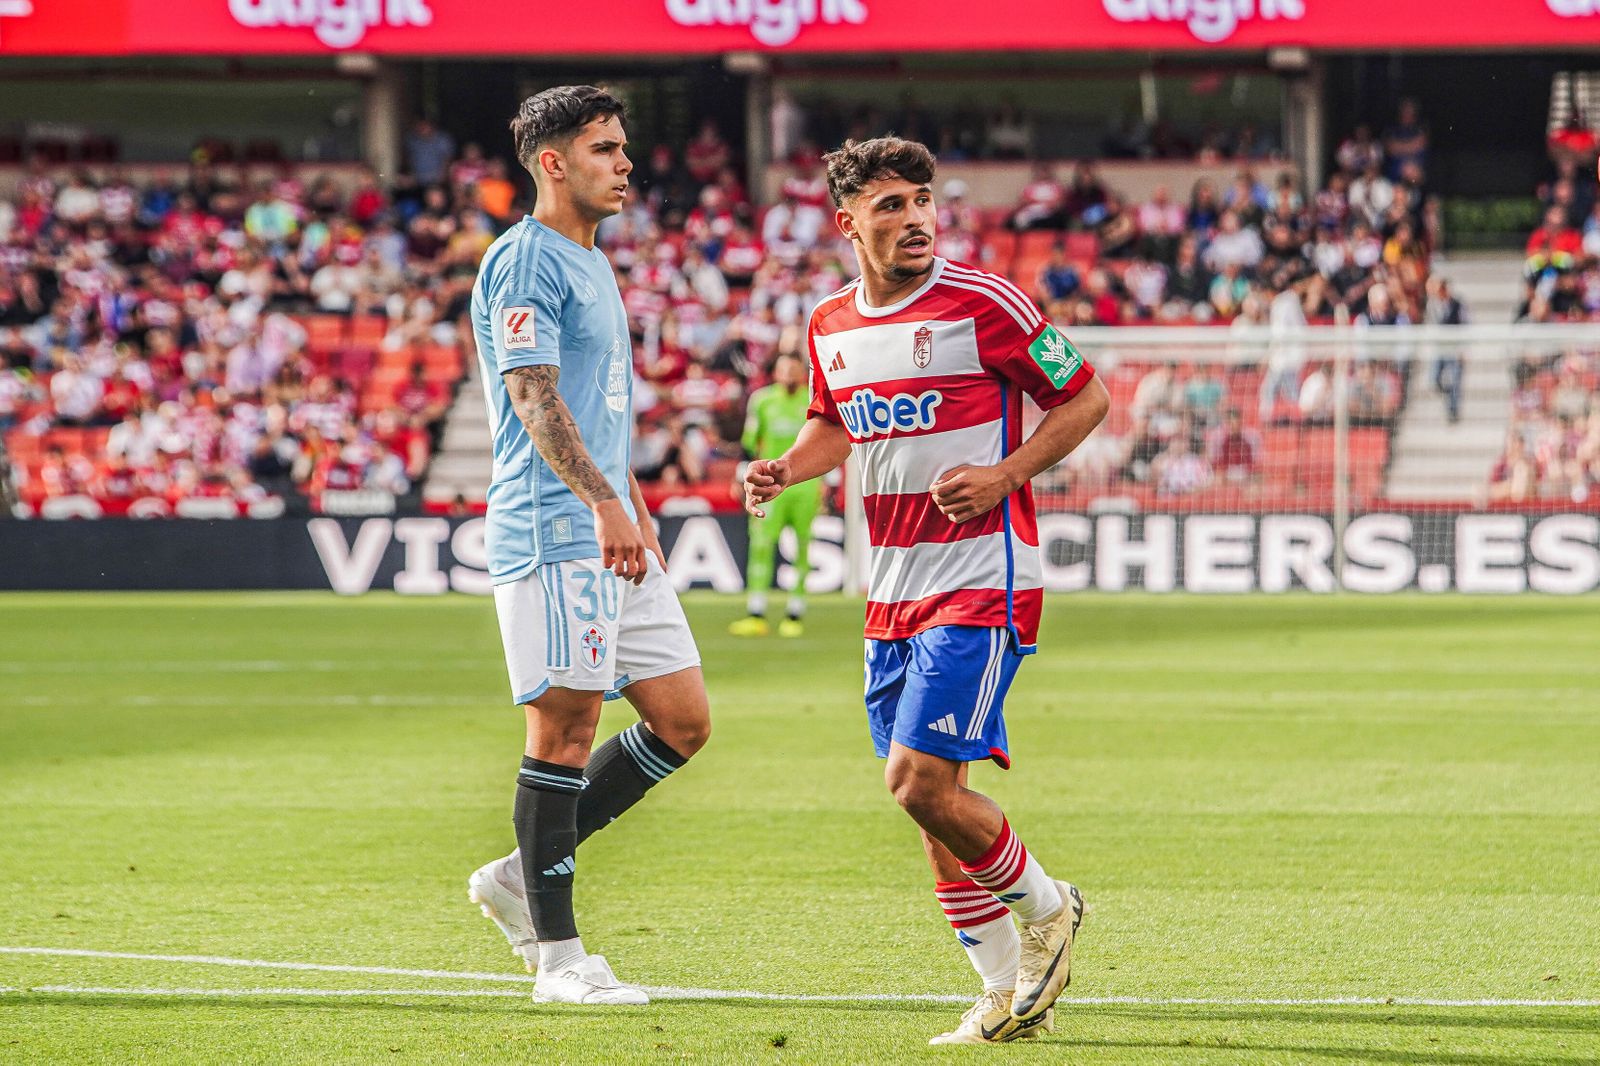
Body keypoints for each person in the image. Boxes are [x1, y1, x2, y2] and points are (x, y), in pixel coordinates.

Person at [743, 137, 1109, 1045]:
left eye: (921, 200)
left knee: (916, 782)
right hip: (890, 590)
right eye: (891, 206)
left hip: (983, 575)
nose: (914, 219)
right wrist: (787, 468)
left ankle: (1049, 905)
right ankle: (1000, 992)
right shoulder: (831, 322)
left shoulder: (985, 302)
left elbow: (1086, 398)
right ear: (847, 223)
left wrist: (1001, 473)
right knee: (929, 805)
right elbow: (838, 422)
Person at [464, 85, 711, 1006]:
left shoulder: (591, 259)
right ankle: (559, 961)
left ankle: (514, 876)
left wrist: (634, 503)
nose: (626, 163)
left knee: (682, 720)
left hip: (609, 525)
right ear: (554, 162)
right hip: (553, 529)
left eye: (624, 147)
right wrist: (605, 502)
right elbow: (533, 396)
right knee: (562, 733)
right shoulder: (523, 261)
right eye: (606, 149)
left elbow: (598, 410)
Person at [729, 352, 818, 637]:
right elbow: (749, 445)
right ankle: (756, 612)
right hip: (770, 487)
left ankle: (795, 612)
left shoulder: (812, 398)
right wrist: (741, 478)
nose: (789, 375)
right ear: (776, 373)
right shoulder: (763, 401)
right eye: (784, 370)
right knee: (762, 545)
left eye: (794, 370)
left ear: (802, 373)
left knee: (802, 547)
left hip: (806, 486)